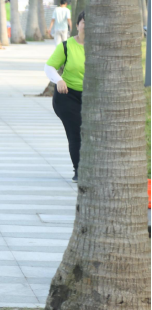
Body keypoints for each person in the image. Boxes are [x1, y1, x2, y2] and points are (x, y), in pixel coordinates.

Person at [44, 11, 85, 182]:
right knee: (75, 132)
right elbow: (49, 67)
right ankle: (79, 170)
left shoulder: (102, 48)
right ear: (77, 25)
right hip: (67, 96)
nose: (87, 26)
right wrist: (59, 80)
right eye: (84, 22)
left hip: (91, 98)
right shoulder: (66, 46)